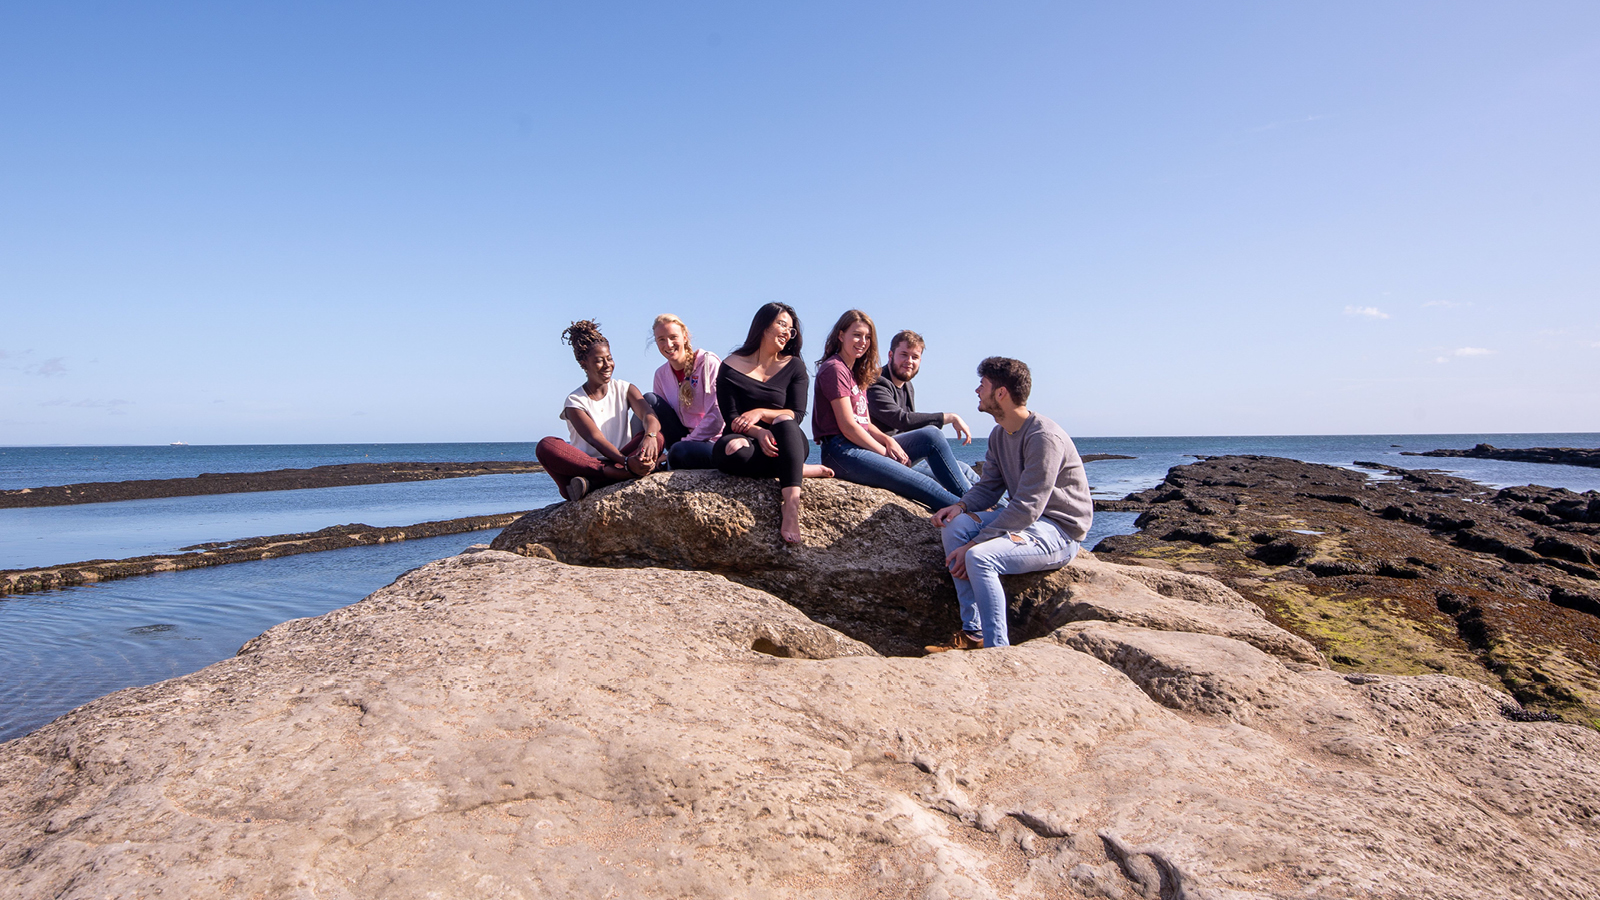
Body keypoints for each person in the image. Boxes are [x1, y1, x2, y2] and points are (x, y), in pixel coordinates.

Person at [927, 357, 1093, 651]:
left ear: (1001, 393)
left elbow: (1029, 506)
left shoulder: (1044, 436)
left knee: (980, 557)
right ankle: (973, 632)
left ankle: (996, 650)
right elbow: (989, 488)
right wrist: (962, 507)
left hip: (1059, 530)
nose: (977, 390)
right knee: (955, 526)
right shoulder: (999, 434)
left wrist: (974, 544)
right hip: (1029, 522)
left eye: (983, 385)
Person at [813, 311, 971, 510]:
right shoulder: (834, 369)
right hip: (841, 451)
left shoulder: (856, 373)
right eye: (857, 335)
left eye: (867, 337)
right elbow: (848, 426)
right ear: (841, 335)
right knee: (925, 485)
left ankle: (980, 505)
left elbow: (864, 422)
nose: (862, 341)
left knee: (932, 435)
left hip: (859, 445)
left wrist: (887, 440)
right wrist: (883, 453)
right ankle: (976, 516)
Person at [714, 303, 833, 544]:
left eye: (791, 329)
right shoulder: (729, 366)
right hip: (746, 435)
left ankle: (790, 506)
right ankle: (795, 470)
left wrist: (760, 412)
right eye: (781, 324)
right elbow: (731, 417)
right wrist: (758, 433)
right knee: (732, 452)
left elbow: (797, 413)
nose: (787, 332)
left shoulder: (794, 366)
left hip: (786, 439)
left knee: (783, 419)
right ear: (763, 325)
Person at [534, 320, 665, 502]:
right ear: (583, 363)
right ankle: (617, 475)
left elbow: (649, 416)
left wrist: (650, 436)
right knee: (546, 446)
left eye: (609, 358)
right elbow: (595, 439)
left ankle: (595, 483)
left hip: (623, 460)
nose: (607, 365)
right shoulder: (575, 401)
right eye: (598, 361)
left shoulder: (625, 388)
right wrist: (627, 464)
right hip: (587, 466)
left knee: (658, 437)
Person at [866, 328, 979, 488]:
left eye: (915, 357)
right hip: (882, 452)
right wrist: (950, 417)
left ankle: (1005, 509)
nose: (909, 361)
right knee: (931, 435)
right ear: (891, 355)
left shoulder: (907, 386)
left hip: (903, 454)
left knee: (965, 469)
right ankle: (969, 504)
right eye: (904, 354)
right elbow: (901, 420)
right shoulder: (876, 382)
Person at [644, 314, 723, 470]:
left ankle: (673, 457)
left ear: (685, 337)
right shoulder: (661, 375)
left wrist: (686, 442)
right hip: (680, 438)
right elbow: (661, 422)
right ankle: (641, 459)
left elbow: (716, 417)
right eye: (661, 339)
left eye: (673, 337)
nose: (668, 344)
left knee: (679, 452)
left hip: (711, 440)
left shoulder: (708, 363)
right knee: (648, 400)